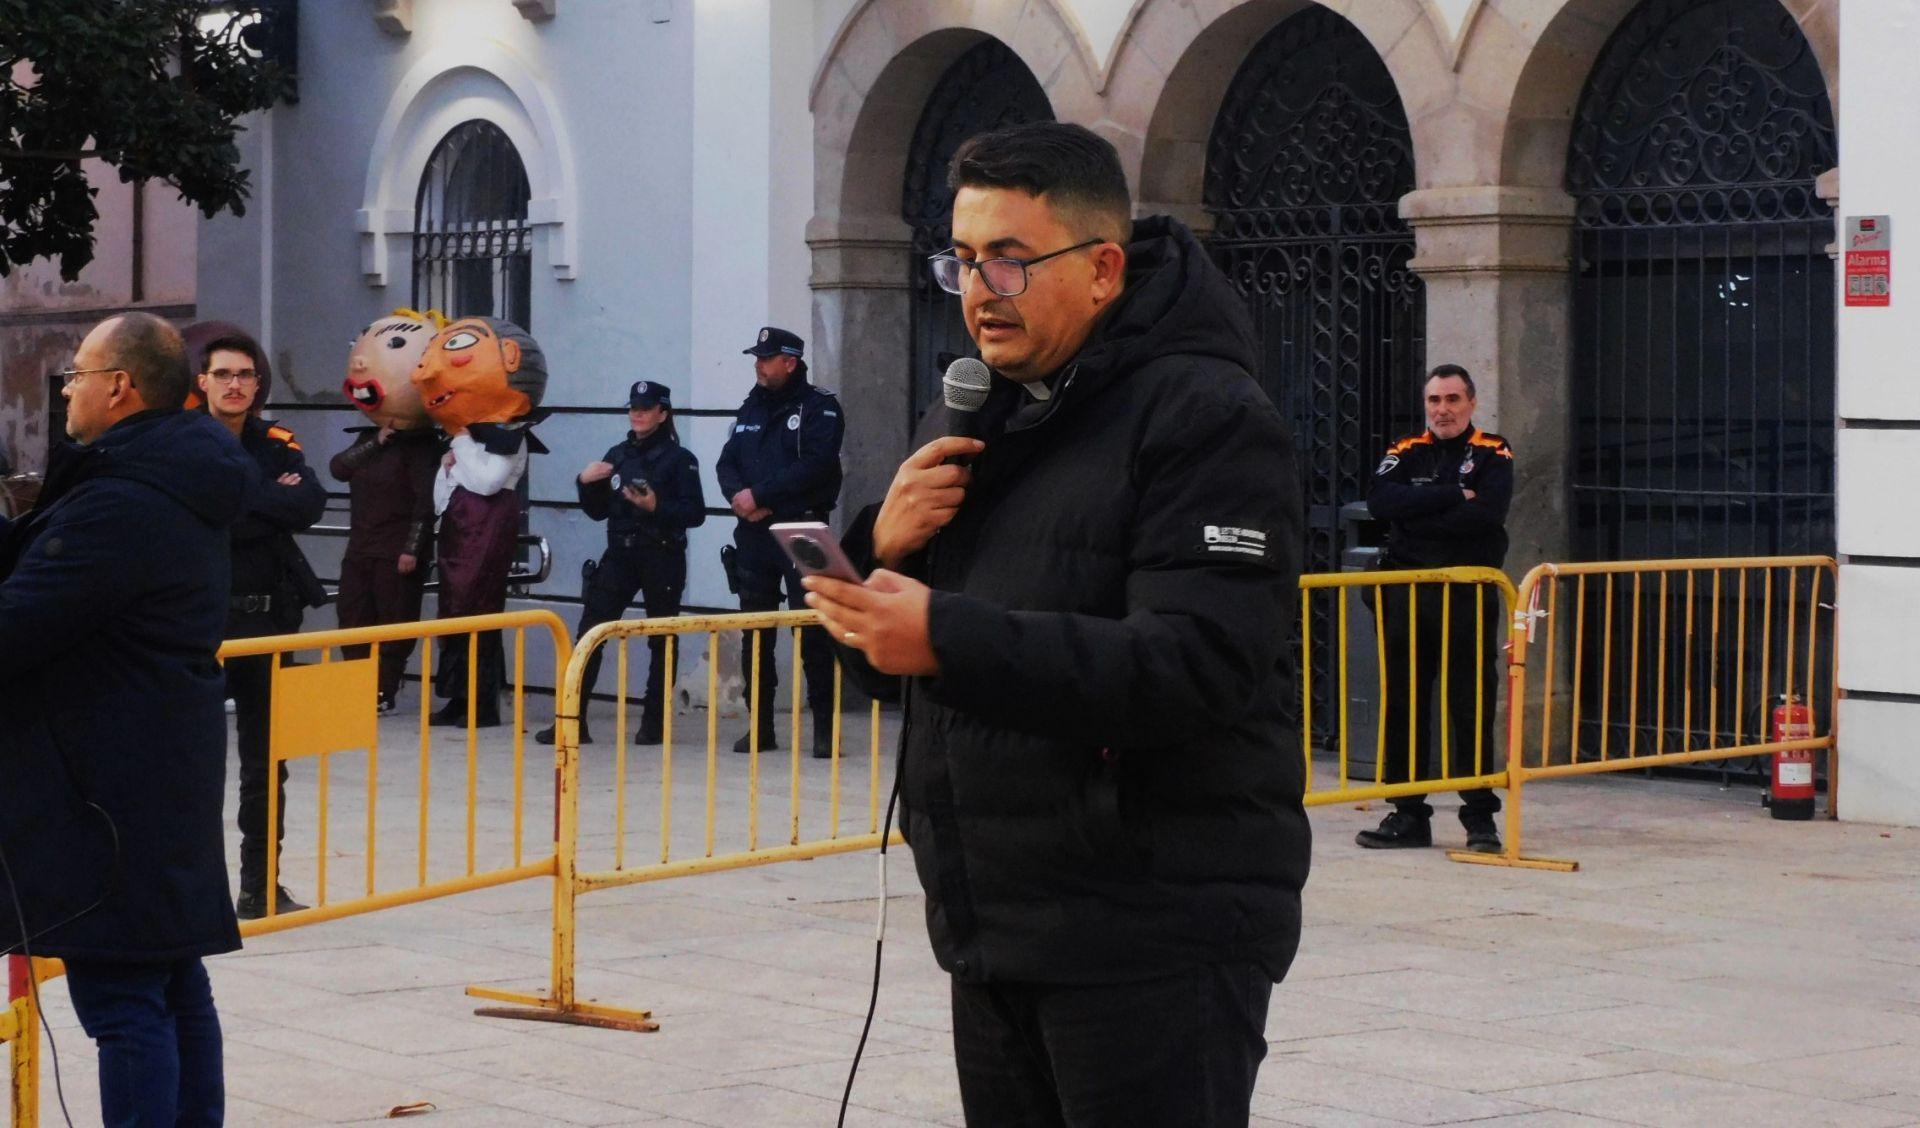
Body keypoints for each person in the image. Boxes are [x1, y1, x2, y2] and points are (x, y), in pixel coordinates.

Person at [806, 122, 1308, 1126]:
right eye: (962, 258)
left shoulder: (1206, 415)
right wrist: (883, 554)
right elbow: (885, 669)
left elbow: (1199, 664)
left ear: (1103, 267)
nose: (982, 287)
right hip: (998, 920)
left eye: (1012, 258)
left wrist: (947, 634)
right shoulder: (973, 412)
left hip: (1153, 930)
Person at [0, 312, 253, 1125]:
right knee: (173, 981)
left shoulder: (126, 500)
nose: (67, 387)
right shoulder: (164, 478)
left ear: (119, 387)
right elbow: (46, 556)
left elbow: (22, 619)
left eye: (77, 372)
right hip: (156, 770)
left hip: (107, 788)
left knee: (121, 998)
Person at [196, 330, 328, 918]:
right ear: (202, 382)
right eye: (223, 374)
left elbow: (308, 505)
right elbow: (208, 509)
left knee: (267, 765)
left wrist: (247, 502)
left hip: (270, 624)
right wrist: (267, 498)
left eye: (244, 375)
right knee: (190, 765)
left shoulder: (276, 441)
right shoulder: (185, 443)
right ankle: (193, 895)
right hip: (201, 626)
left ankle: (260, 886)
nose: (234, 384)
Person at [1358, 363, 1514, 854]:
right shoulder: (1406, 450)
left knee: (1469, 703)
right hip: (1407, 593)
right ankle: (1407, 814)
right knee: (1404, 701)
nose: (1442, 409)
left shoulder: (1493, 450)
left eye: (1452, 399)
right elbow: (1381, 501)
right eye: (1434, 400)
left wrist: (1419, 511)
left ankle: (1479, 820)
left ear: (1471, 403)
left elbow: (1487, 516)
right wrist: (1450, 496)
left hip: (1466, 594)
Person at [536, 380, 706, 746]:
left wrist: (655, 507)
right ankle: (572, 719)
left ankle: (653, 723)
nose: (638, 414)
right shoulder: (618, 454)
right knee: (590, 633)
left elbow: (695, 513)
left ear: (662, 414)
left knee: (661, 638)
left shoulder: (680, 460)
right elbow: (598, 512)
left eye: (646, 409)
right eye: (633, 408)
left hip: (661, 553)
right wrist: (584, 482)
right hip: (620, 554)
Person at [412, 316, 550, 729]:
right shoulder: (467, 438)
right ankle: (457, 696)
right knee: (453, 612)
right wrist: (448, 463)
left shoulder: (508, 434)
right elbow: (443, 497)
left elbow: (488, 482)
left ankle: (482, 700)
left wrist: (459, 446)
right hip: (457, 533)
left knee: (480, 613)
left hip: (487, 531)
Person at [715, 325, 845, 758]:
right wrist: (740, 498)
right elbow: (727, 461)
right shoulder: (751, 406)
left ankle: (824, 731)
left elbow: (817, 466)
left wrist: (763, 496)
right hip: (753, 534)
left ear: (790, 362)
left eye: (767, 359)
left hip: (803, 530)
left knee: (813, 632)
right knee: (756, 633)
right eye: (757, 358)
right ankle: (761, 727)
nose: (759, 365)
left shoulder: (819, 408)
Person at [332, 311, 445, 714]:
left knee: (393, 619)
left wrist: (413, 549)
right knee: (352, 614)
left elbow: (425, 503)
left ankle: (384, 689)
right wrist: (377, 441)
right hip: (361, 547)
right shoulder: (369, 441)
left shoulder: (422, 448)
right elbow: (338, 468)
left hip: (397, 550)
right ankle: (355, 683)